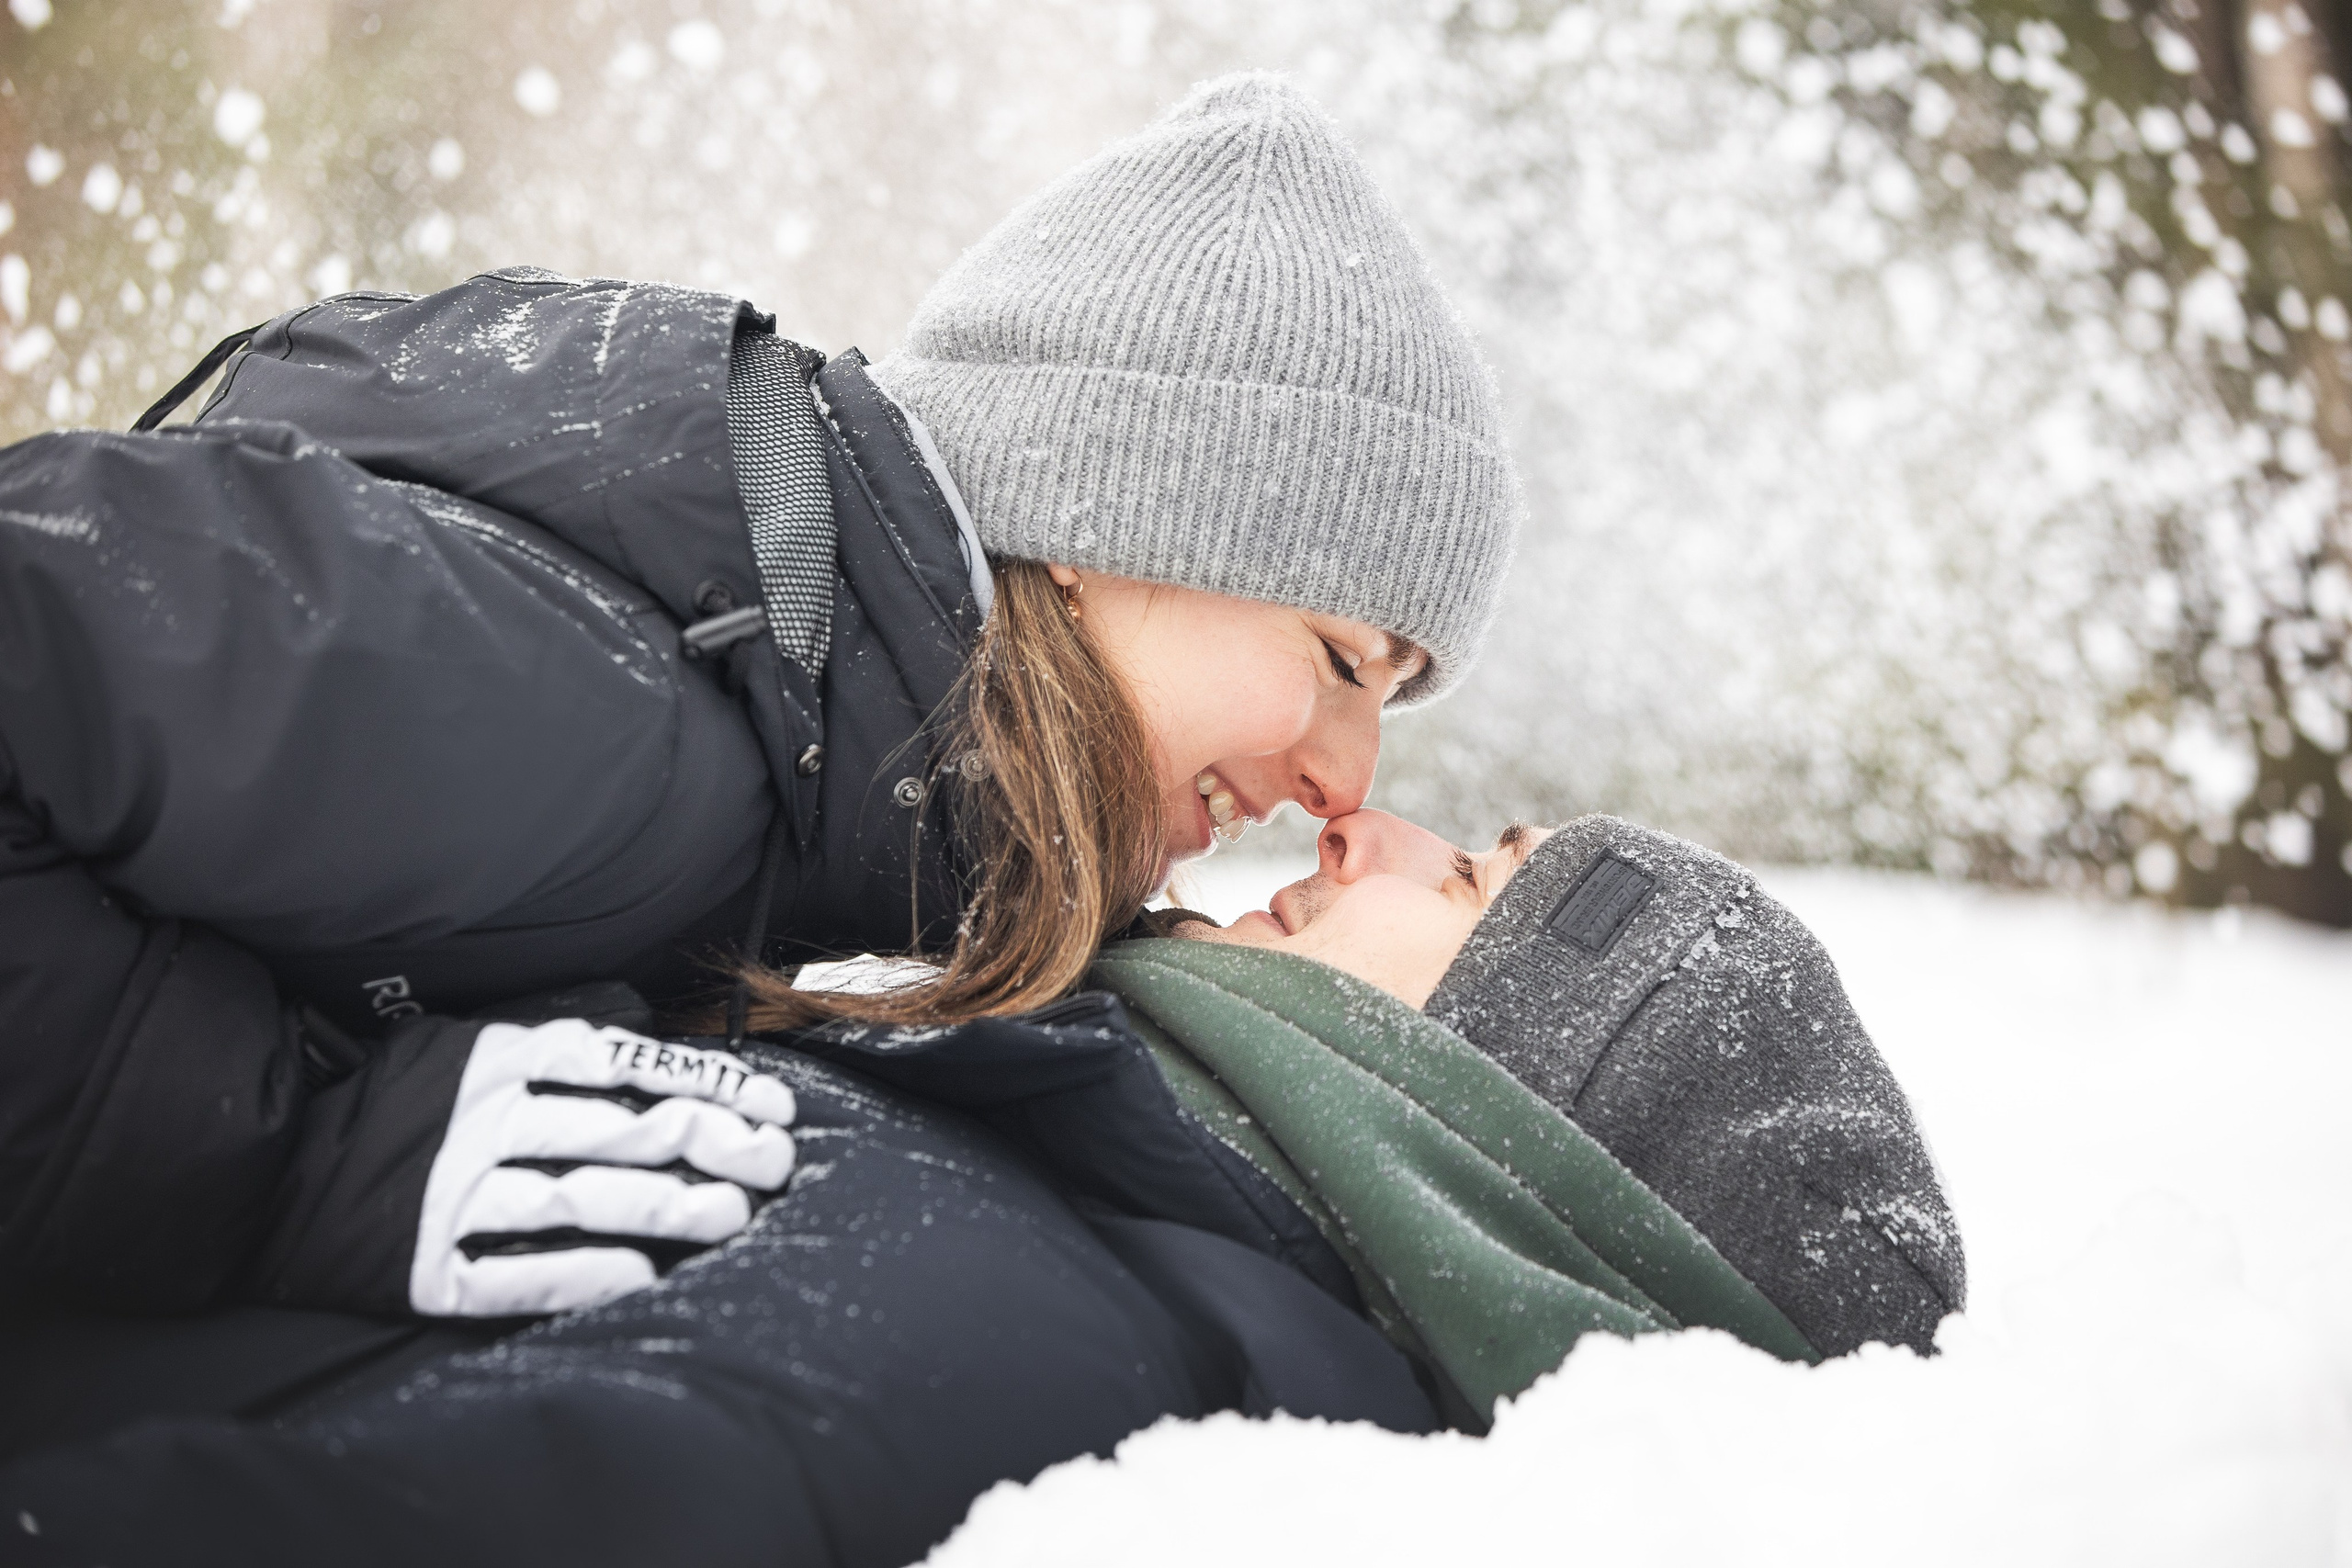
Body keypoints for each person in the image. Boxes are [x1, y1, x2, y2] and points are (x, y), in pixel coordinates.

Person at [0, 73, 1521, 1318]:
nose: (1351, 776)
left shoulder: (797, 753)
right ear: (1108, 526)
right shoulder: (616, 708)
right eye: (1338, 659)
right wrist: (280, 1169)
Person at [0, 809, 1962, 1568]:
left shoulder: (1041, 1334)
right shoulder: (1066, 1169)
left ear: (1498, 1100)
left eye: (1468, 879)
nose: (1378, 811)